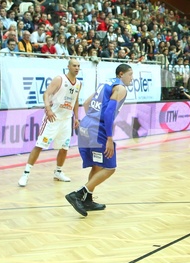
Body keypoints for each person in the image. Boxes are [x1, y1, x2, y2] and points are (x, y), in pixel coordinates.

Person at [65, 64, 133, 217]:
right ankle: (78, 194)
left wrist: (93, 117)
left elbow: (86, 103)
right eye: (130, 74)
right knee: (110, 167)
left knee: (97, 165)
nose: (132, 78)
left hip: (86, 125)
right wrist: (109, 138)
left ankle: (87, 200)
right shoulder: (120, 88)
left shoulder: (106, 83)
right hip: (98, 130)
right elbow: (109, 113)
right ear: (121, 74)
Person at [18, 59, 82, 187]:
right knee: (40, 145)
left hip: (66, 120)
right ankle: (25, 173)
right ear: (68, 66)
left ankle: (58, 172)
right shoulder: (59, 79)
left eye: (78, 66)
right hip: (52, 119)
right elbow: (46, 94)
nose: (76, 68)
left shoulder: (79, 83)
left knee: (64, 148)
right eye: (74, 65)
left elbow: (75, 101)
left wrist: (76, 117)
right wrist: (48, 109)